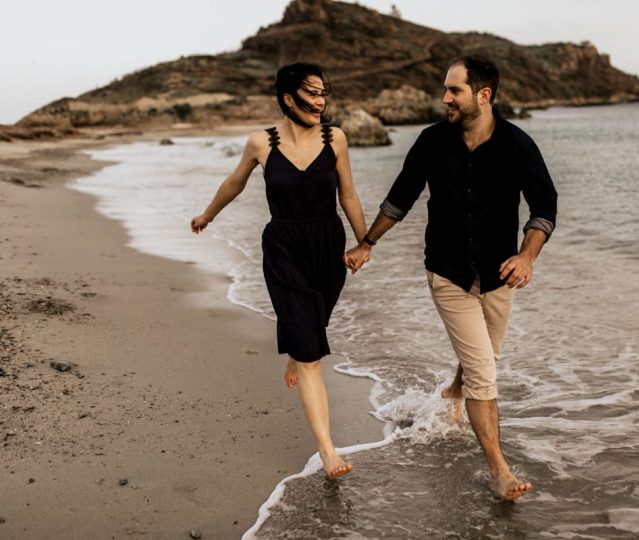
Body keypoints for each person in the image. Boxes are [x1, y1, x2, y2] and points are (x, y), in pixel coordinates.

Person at [345, 55, 557, 500]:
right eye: (446, 89)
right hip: (448, 272)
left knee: (484, 358)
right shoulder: (431, 141)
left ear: (484, 95)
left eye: (454, 90)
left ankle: (449, 394)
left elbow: (543, 207)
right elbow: (399, 200)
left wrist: (527, 256)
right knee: (484, 373)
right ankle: (499, 471)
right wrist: (367, 243)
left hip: (500, 275)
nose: (445, 98)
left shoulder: (518, 145)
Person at [191, 62, 368, 480]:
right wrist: (207, 215)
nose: (320, 102)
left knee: (312, 326)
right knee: (311, 354)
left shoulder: (335, 138)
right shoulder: (261, 143)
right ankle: (327, 450)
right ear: (289, 98)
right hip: (284, 248)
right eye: (312, 94)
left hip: (328, 246)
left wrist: (366, 242)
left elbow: (349, 193)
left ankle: (296, 350)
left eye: (324, 93)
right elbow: (234, 183)